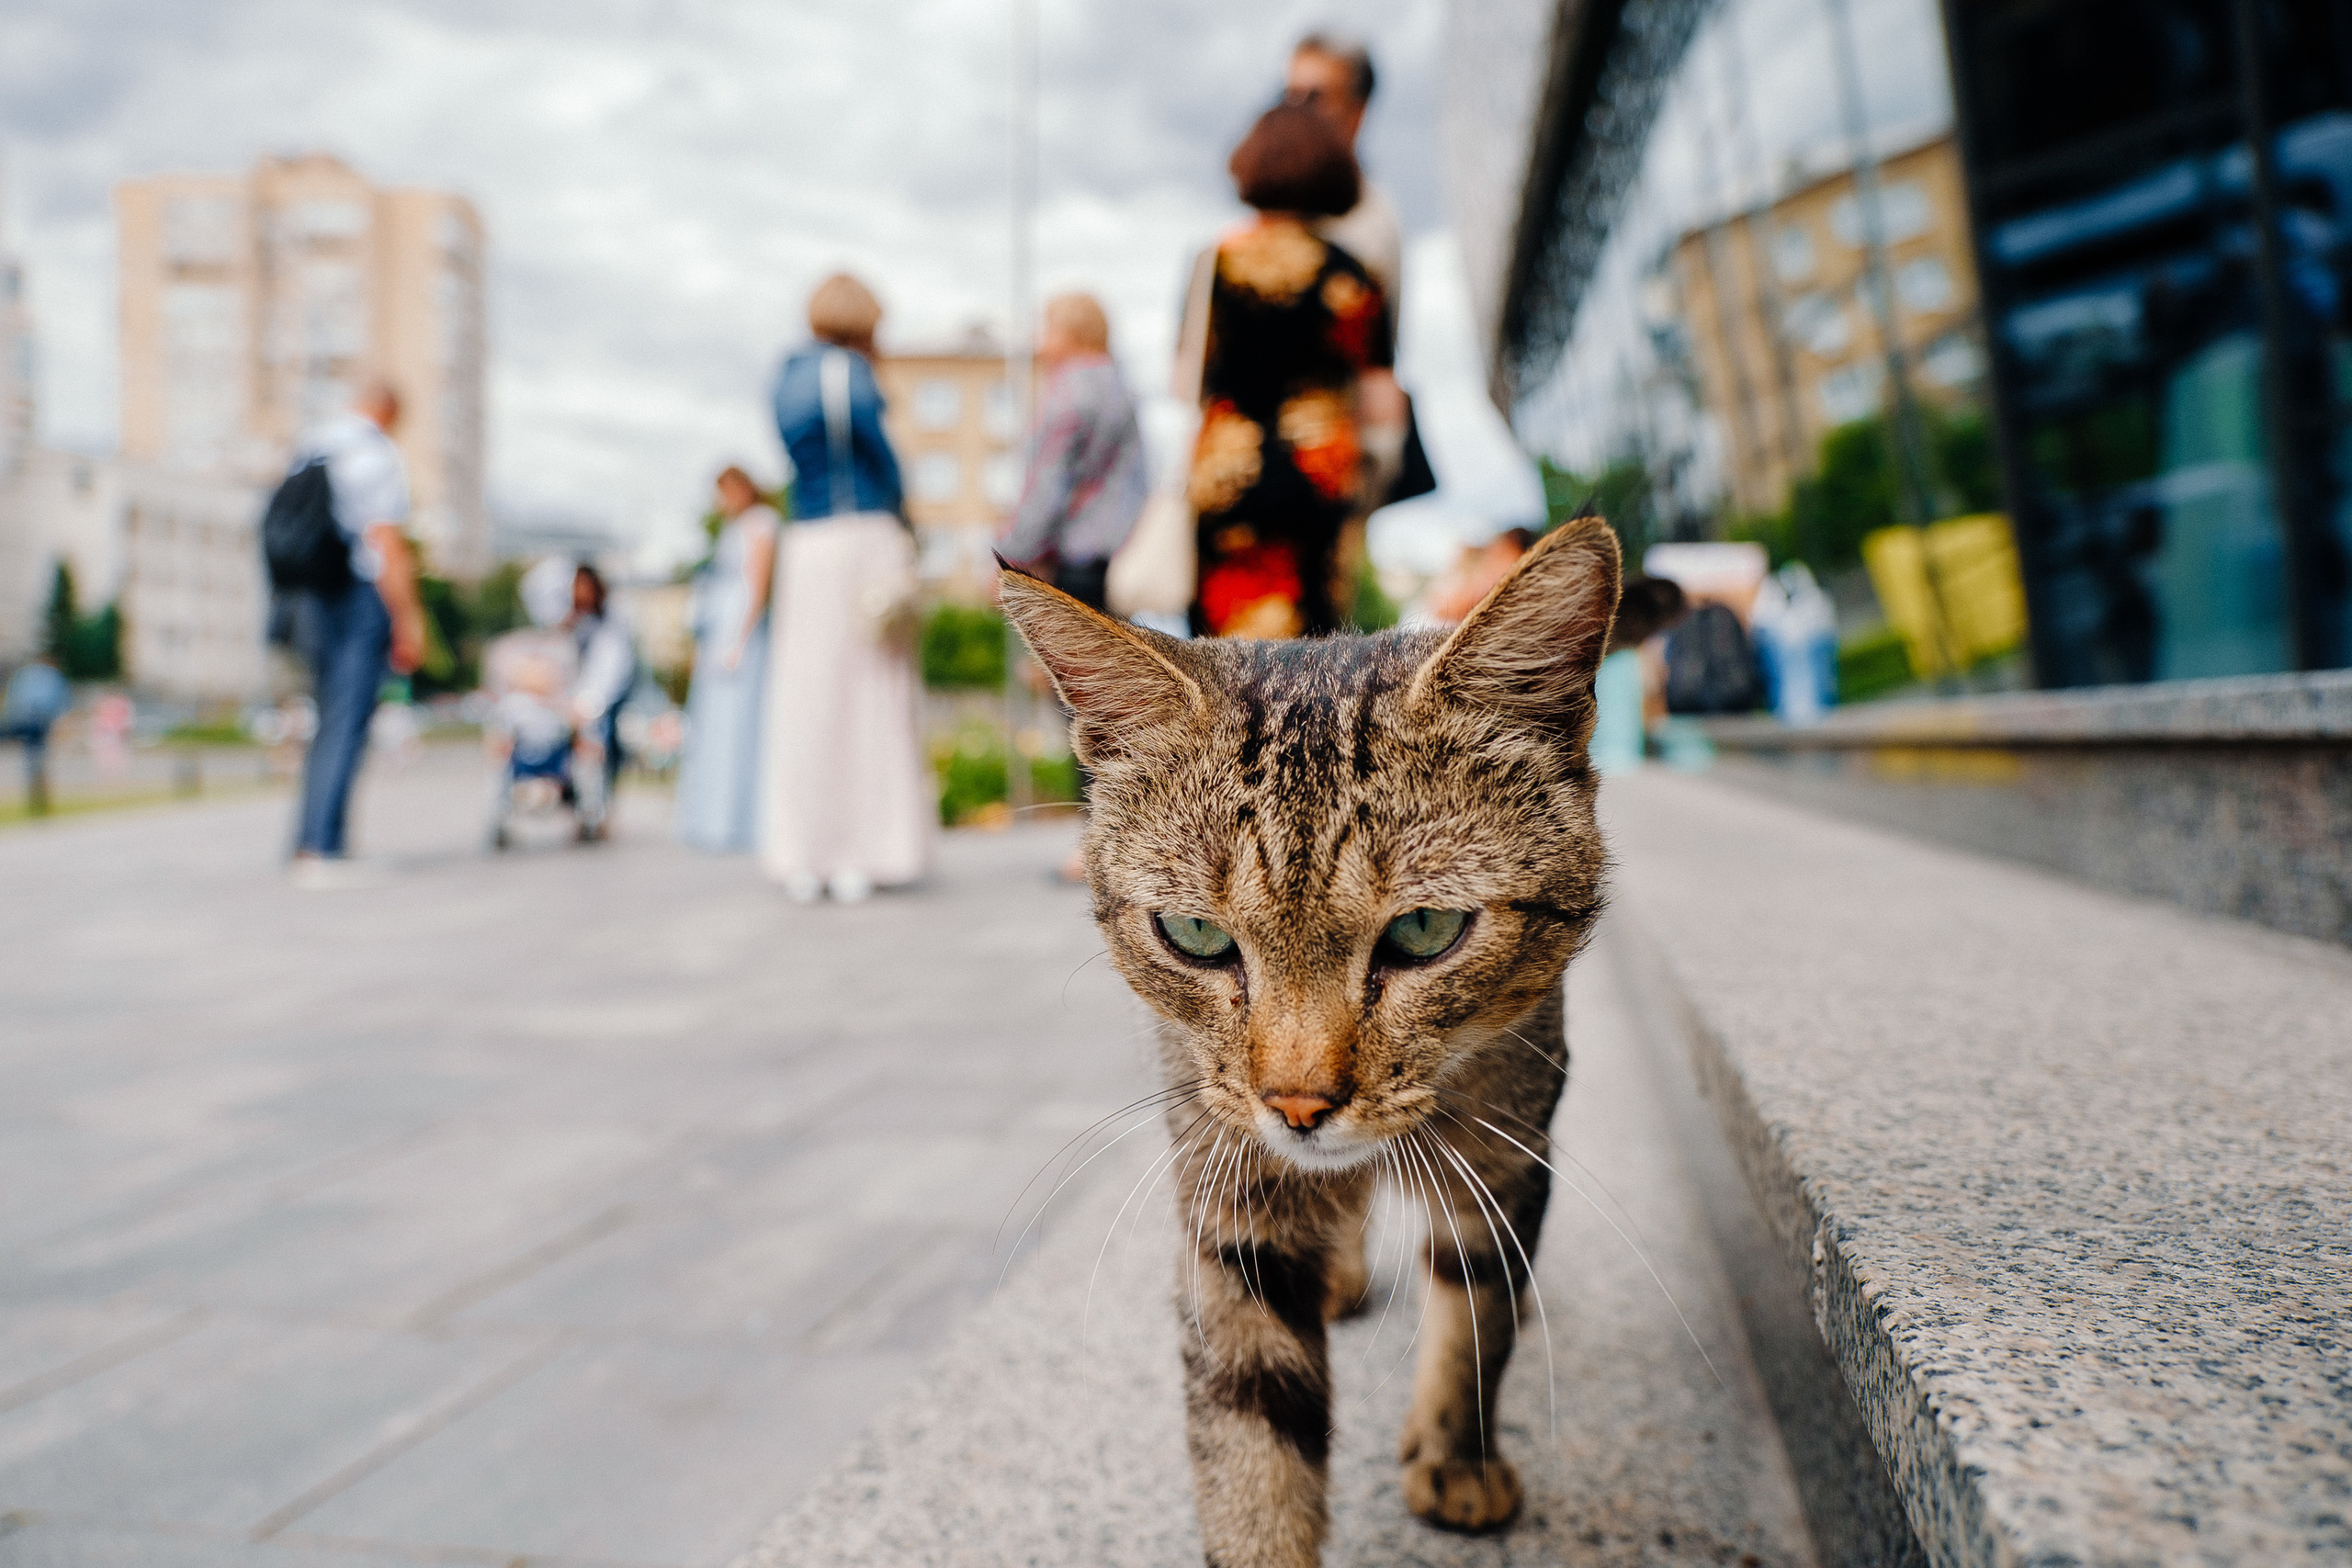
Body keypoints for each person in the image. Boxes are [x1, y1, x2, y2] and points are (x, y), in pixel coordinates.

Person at [1188, 105, 1403, 640]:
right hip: (1318, 470)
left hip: (1230, 470)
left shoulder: (1217, 261)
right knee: (1311, 649)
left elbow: (1187, 378)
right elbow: (1378, 392)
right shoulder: (1355, 276)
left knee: (1222, 652)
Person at [759, 273, 932, 903]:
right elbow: (882, 461)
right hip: (863, 536)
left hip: (806, 544)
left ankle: (804, 855)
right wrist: (909, 523)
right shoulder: (850, 374)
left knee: (808, 699)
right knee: (869, 695)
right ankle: (867, 852)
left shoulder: (783, 377)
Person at [287, 381, 426, 885]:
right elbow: (384, 537)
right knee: (348, 721)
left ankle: (310, 841)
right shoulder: (377, 454)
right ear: (389, 411)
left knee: (327, 721)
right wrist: (409, 618)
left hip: (310, 597)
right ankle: (322, 849)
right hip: (356, 593)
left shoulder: (316, 442)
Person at [1000, 293, 1148, 612]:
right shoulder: (1123, 389)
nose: (1040, 344)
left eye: (1048, 330)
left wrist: (1011, 558)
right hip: (1119, 556)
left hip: (1074, 560)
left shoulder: (1070, 390)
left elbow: (1048, 484)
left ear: (1072, 333)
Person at [673, 467, 779, 852]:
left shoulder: (763, 523)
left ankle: (741, 819)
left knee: (740, 726)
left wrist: (739, 640)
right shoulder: (733, 528)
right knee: (716, 726)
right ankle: (714, 817)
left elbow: (757, 584)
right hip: (722, 628)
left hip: (742, 631)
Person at [568, 562, 634, 838]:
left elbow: (613, 668)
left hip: (604, 700)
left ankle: (601, 810)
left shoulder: (610, 623)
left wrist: (596, 702)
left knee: (604, 753)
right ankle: (582, 812)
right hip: (574, 701)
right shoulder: (572, 622)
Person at [1, 652, 70, 816]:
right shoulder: (53, 676)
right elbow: (60, 704)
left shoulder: (23, 675)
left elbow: (13, 701)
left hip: (23, 722)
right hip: (40, 723)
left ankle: (35, 798)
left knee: (32, 762)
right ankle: (40, 800)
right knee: (38, 761)